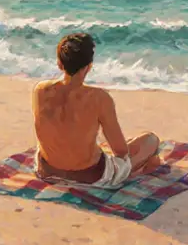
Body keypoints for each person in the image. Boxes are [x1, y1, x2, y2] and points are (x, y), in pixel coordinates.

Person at [32, 32, 161, 187]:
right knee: (150, 140)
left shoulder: (40, 90)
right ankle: (138, 170)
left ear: (60, 63)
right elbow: (120, 151)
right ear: (89, 66)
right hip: (89, 175)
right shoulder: (99, 98)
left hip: (47, 170)